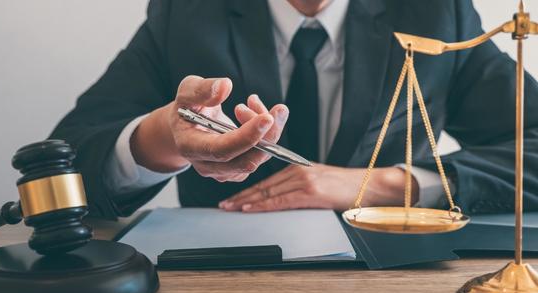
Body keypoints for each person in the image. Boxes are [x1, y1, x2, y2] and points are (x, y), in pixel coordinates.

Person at [51, 0, 538, 219]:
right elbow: (62, 166)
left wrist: (382, 184)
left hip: (391, 278)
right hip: (224, 280)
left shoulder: (434, 12)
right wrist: (163, 137)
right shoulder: (187, 12)